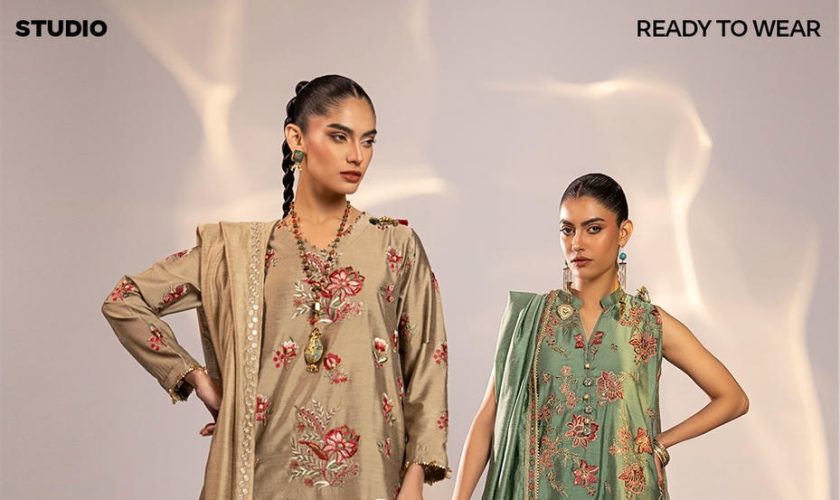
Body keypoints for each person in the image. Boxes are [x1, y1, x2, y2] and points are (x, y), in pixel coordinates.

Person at [102, 75, 449, 500]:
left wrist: (415, 477)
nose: (357, 155)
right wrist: (197, 378)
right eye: (339, 136)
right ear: (296, 138)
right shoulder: (238, 252)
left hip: (371, 480)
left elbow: (428, 361)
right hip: (264, 477)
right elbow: (125, 300)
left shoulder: (395, 244)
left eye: (368, 141)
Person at [453, 173, 748, 499]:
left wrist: (661, 445)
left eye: (593, 229)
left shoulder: (647, 323)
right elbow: (488, 417)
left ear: (623, 233)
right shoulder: (530, 317)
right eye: (568, 230)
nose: (577, 243)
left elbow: (733, 399)